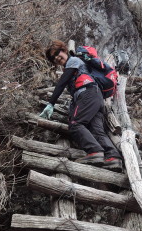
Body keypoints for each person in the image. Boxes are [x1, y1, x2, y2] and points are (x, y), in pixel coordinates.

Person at [39, 40, 122, 171]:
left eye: (57, 53)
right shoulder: (79, 64)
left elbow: (62, 83)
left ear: (64, 50)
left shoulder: (73, 61)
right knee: (96, 130)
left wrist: (51, 103)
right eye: (53, 58)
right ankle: (113, 157)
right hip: (96, 96)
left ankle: (95, 152)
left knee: (75, 124)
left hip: (88, 94)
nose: (56, 57)